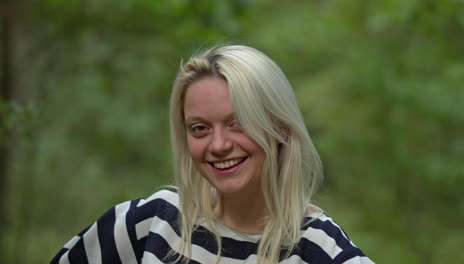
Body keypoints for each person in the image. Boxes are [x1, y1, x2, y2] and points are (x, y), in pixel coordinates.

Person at [51, 45, 374, 264]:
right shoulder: (149, 223)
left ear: (281, 128)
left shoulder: (320, 249)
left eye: (238, 123)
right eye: (200, 128)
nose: (218, 145)